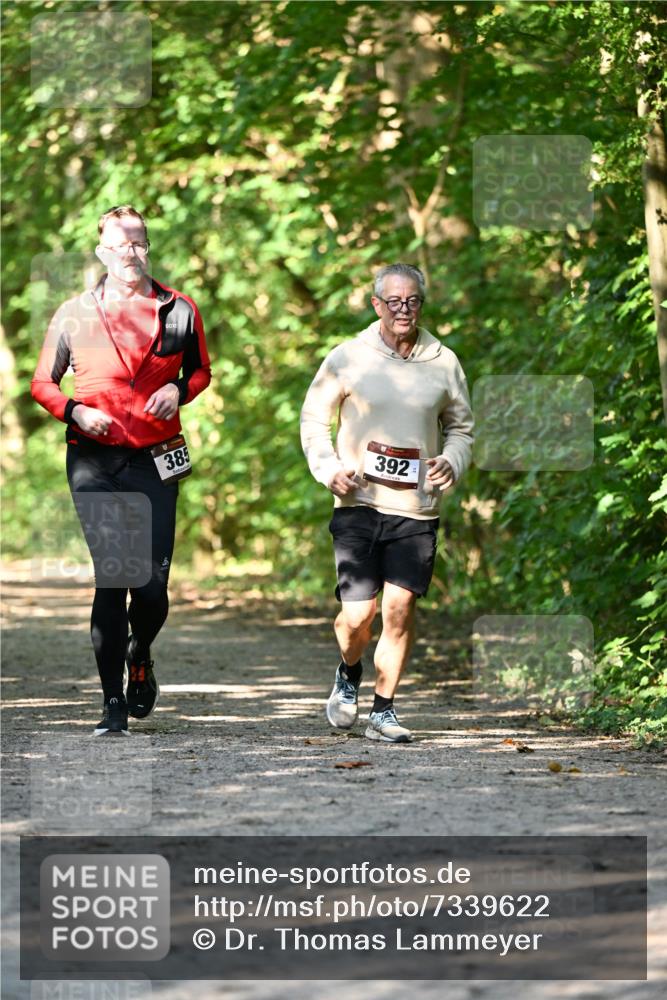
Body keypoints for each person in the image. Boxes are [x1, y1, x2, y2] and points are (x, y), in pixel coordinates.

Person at [31, 205, 211, 736]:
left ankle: (140, 650)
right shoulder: (73, 313)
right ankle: (112, 703)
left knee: (151, 586)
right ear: (102, 252)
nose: (131, 252)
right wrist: (75, 409)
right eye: (120, 244)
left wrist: (178, 390)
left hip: (156, 460)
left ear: (147, 246)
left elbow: (201, 371)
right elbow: (43, 383)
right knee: (114, 576)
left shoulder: (180, 309)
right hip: (94, 460)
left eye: (139, 242)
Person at [300, 263, 474, 743]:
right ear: (376, 305)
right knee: (359, 617)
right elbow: (314, 420)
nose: (404, 309)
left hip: (416, 508)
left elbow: (461, 427)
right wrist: (329, 469)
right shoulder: (347, 357)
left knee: (399, 609)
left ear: (421, 304)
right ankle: (348, 670)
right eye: (393, 301)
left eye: (412, 300)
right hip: (358, 503)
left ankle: (384, 710)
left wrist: (452, 461)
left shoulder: (444, 362)